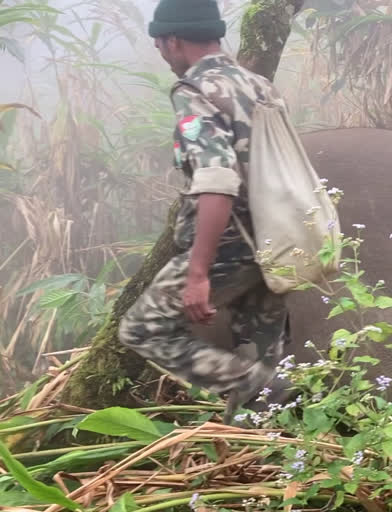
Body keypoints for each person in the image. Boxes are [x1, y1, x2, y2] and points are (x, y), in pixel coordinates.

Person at [118, 0, 288, 403]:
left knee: (142, 328)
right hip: (275, 241)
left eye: (160, 45)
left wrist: (198, 272)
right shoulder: (259, 86)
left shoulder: (195, 89)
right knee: (259, 353)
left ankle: (268, 391)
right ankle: (279, 436)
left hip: (229, 246)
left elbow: (218, 179)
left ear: (173, 40)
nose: (162, 55)